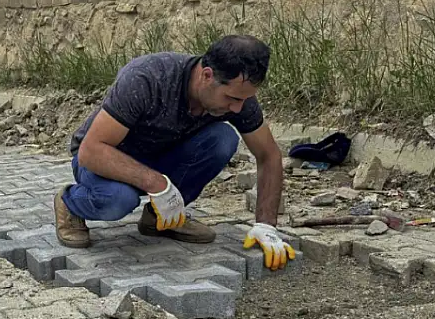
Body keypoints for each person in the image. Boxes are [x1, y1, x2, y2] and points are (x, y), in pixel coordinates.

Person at [54, 35, 295, 271]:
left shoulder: (238, 94)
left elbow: (269, 155)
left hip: (159, 157)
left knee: (223, 139)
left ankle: (159, 220)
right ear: (207, 75)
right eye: (232, 99)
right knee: (118, 201)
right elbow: (90, 151)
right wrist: (156, 183)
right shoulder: (148, 79)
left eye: (244, 100)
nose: (238, 108)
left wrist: (266, 225)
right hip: (106, 159)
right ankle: (70, 203)